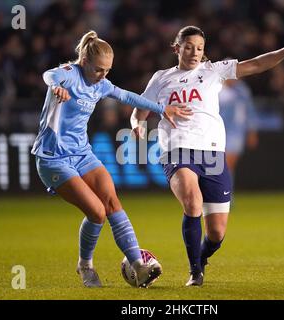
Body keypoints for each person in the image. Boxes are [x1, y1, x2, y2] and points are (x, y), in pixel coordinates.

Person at [131, 26, 284, 286]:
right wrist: (137, 124)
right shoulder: (161, 78)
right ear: (176, 48)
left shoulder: (213, 71)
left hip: (212, 153)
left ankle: (201, 258)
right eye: (188, 46)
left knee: (216, 233)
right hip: (177, 149)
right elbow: (140, 110)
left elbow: (256, 64)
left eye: (199, 48)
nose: (194, 52)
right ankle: (195, 272)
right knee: (192, 202)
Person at [31, 30, 192, 288]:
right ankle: (85, 265)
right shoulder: (69, 75)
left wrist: (162, 109)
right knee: (96, 213)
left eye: (107, 70)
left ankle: (138, 264)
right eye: (99, 70)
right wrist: (55, 87)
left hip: (83, 154)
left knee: (112, 201)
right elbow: (49, 74)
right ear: (83, 61)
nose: (103, 76)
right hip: (53, 158)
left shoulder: (101, 84)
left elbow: (127, 96)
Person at [219, 78, 259, 182]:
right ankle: (221, 193)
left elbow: (249, 111)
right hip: (218, 131)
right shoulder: (216, 88)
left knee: (227, 164)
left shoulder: (242, 90)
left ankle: (225, 194)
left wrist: (252, 131)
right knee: (218, 166)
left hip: (236, 132)